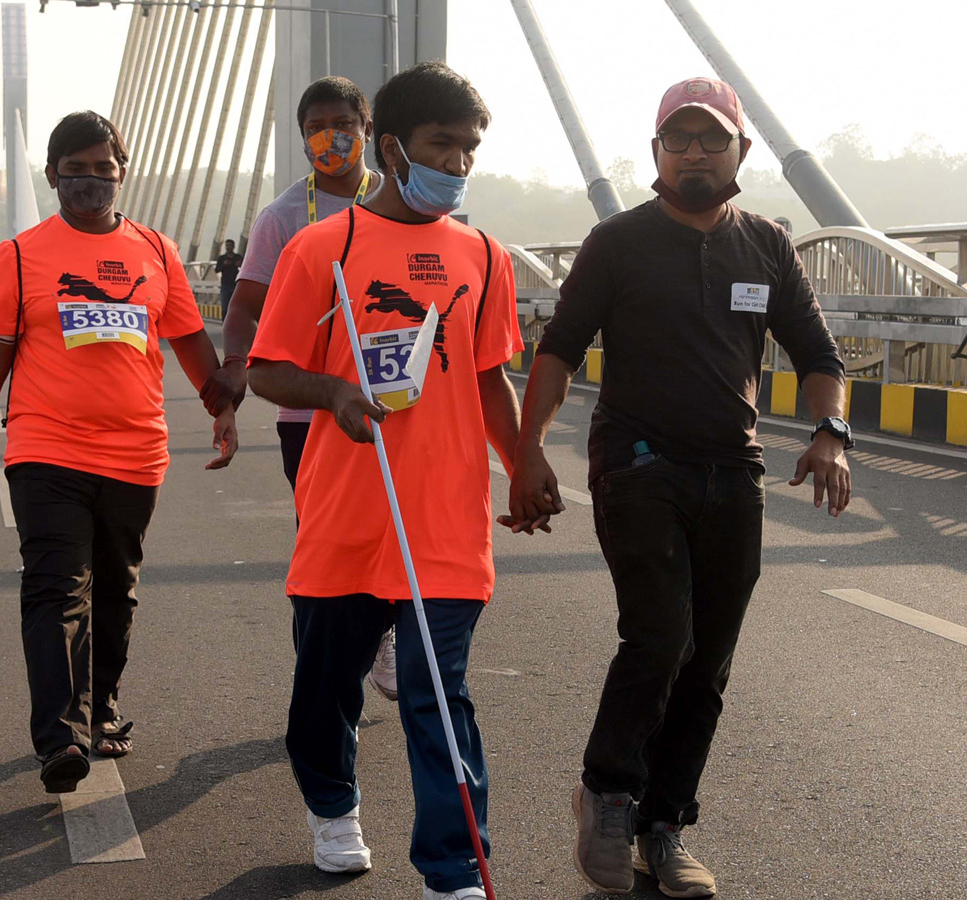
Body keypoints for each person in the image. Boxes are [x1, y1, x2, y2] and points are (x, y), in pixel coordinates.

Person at [507, 77, 852, 897]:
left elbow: (819, 356)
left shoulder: (767, 244)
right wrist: (528, 450)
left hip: (733, 468)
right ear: (656, 151)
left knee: (710, 661)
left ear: (741, 149)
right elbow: (558, 350)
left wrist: (830, 433)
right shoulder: (618, 242)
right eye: (679, 138)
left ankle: (665, 828)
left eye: (712, 138)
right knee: (662, 635)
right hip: (636, 461)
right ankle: (607, 792)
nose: (695, 151)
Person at [248, 61, 524, 900]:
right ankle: (334, 806)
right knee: (325, 689)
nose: (460, 164)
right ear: (397, 147)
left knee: (439, 696)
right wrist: (332, 391)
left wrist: (527, 462)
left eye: (471, 149)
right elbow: (267, 369)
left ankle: (454, 873)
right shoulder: (319, 249)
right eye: (444, 146)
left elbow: (488, 376)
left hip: (442, 520)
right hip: (346, 516)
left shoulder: (482, 253)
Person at [0, 110, 238, 795]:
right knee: (53, 586)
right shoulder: (20, 256)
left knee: (115, 590)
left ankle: (102, 710)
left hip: (135, 451)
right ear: (51, 175)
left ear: (122, 174)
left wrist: (223, 409)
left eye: (104, 168)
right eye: (77, 168)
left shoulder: (155, 252)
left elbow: (188, 340)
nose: (91, 181)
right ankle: (60, 739)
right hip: (45, 448)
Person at [203, 75, 399, 700]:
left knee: (398, 532)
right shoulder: (285, 215)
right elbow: (244, 307)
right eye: (314, 127)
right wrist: (234, 370)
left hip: (394, 405)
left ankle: (384, 638)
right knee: (326, 549)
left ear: (368, 131)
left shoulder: (401, 202)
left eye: (342, 123)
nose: (329, 137)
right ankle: (318, 682)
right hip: (306, 415)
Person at [214, 239, 242, 318]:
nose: (228, 247)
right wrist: (224, 265)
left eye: (230, 245)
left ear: (233, 246)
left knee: (235, 307)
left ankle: (233, 325)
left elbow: (245, 267)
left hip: (235, 285)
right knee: (225, 307)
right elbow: (217, 270)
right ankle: (225, 326)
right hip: (225, 285)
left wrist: (239, 265)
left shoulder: (238, 257)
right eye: (227, 245)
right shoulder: (222, 258)